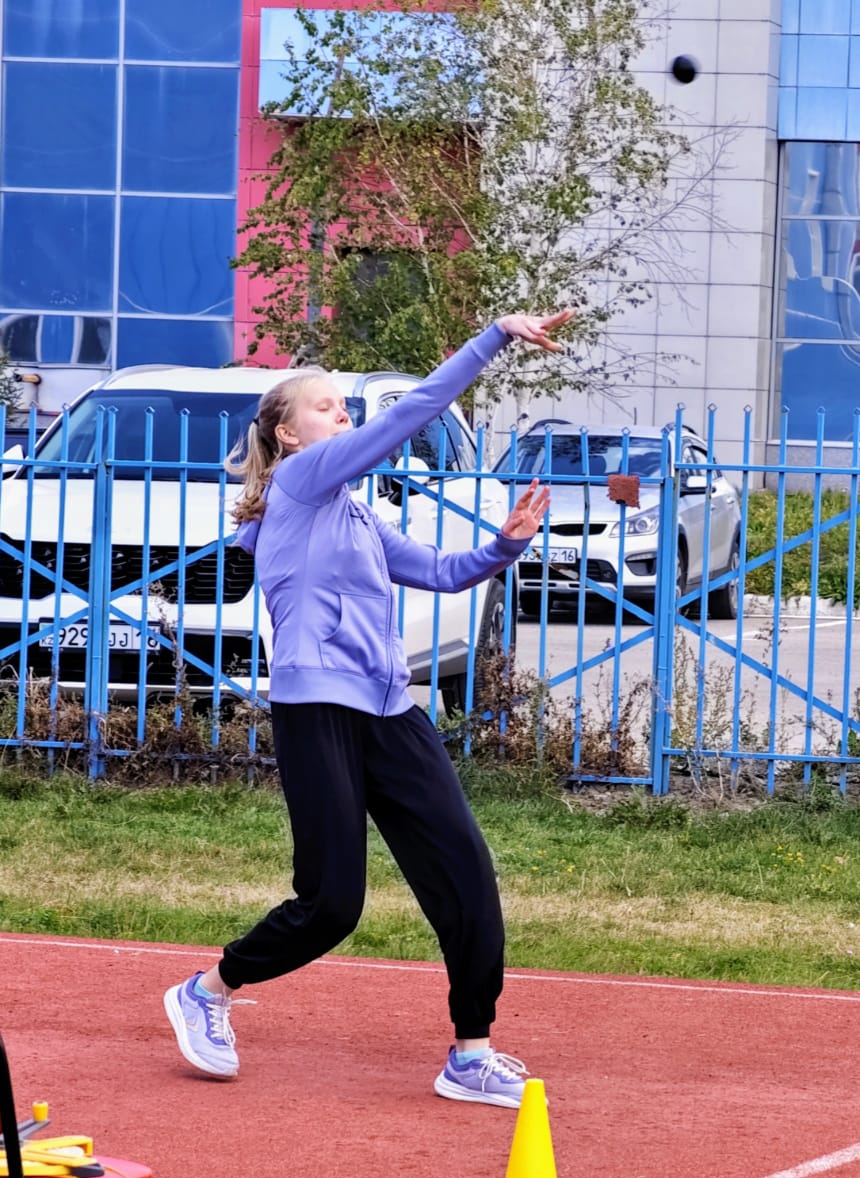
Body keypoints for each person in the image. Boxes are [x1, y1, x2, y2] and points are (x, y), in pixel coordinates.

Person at [163, 309, 572, 1109]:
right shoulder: (301, 484)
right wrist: (494, 335)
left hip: (390, 711)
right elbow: (412, 413)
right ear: (288, 435)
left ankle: (471, 1053)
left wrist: (506, 544)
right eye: (325, 407)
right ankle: (209, 990)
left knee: (465, 870)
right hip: (317, 708)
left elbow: (447, 573)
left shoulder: (356, 516)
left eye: (344, 407)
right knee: (331, 904)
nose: (342, 415)